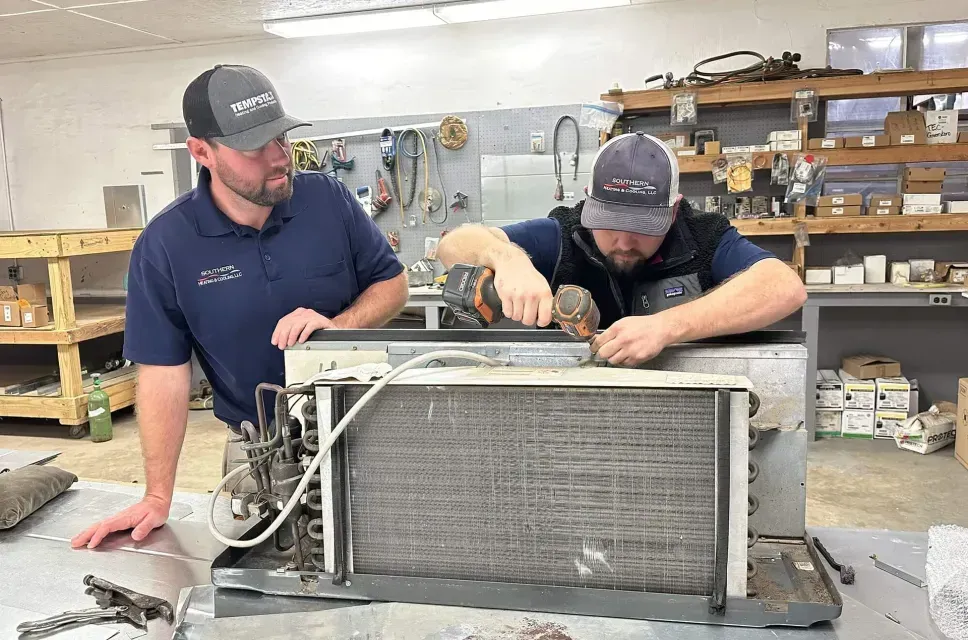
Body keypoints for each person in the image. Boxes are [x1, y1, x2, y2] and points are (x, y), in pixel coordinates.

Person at [72, 65, 408, 549]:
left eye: (281, 138)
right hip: (259, 449)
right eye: (254, 147)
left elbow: (392, 285)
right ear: (202, 152)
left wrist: (335, 326)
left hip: (369, 428)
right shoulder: (167, 244)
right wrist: (156, 497)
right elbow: (164, 372)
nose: (279, 158)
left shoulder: (327, 200)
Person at [438, 131, 806, 366]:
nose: (625, 243)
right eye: (611, 225)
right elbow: (452, 246)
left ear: (673, 210)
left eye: (645, 228)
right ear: (589, 203)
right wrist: (508, 259)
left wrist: (666, 327)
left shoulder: (702, 237)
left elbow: (784, 287)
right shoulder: (564, 232)